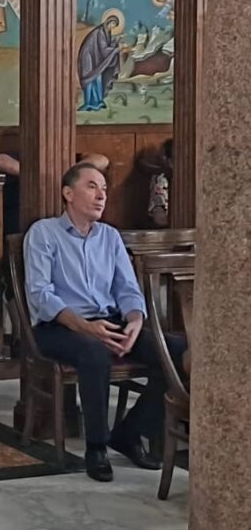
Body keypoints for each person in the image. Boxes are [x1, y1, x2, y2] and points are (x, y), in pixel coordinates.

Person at [23, 162, 186, 483]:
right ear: (68, 193)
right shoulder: (44, 233)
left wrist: (135, 322)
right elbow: (40, 295)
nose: (101, 196)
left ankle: (131, 431)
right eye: (92, 186)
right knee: (94, 353)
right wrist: (85, 327)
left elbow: (128, 290)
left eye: (104, 189)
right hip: (58, 326)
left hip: (110, 321)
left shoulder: (110, 237)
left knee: (178, 350)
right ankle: (96, 447)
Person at [0, 151, 110, 237]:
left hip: (67, 222)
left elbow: (101, 159)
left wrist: (71, 173)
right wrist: (38, 174)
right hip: (23, 221)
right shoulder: (25, 154)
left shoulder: (65, 156)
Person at [78, 15, 122, 111]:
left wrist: (115, 42)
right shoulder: (100, 32)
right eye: (112, 24)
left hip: (96, 59)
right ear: (108, 22)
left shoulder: (106, 32)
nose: (113, 27)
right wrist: (115, 50)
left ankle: (98, 101)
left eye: (115, 25)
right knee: (91, 79)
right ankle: (89, 103)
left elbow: (105, 47)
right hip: (89, 59)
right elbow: (103, 50)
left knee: (98, 78)